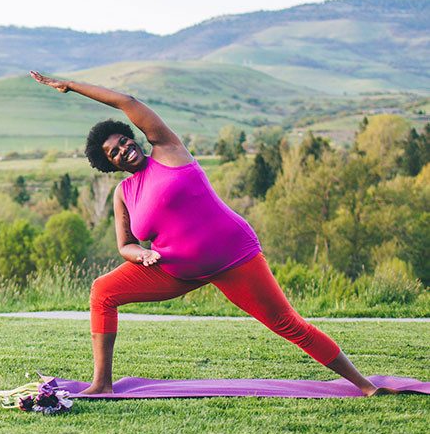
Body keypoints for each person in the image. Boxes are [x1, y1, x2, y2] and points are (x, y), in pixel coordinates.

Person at [30, 70, 394, 396]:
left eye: (124, 142)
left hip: (235, 258)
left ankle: (364, 385)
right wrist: (140, 254)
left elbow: (128, 102)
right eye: (113, 153)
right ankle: (102, 383)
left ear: (133, 138)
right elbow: (125, 244)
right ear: (108, 164)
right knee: (103, 291)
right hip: (175, 270)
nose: (123, 150)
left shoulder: (168, 150)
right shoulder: (123, 194)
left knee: (287, 323)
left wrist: (71, 86)